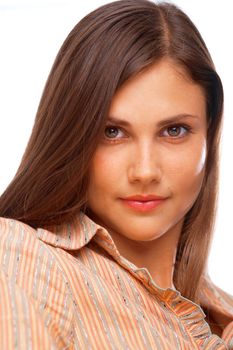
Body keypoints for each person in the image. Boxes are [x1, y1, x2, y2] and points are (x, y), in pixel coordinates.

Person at [0, 0, 232, 348]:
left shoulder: (222, 310)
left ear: (210, 136)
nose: (144, 171)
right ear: (72, 134)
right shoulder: (23, 259)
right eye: (112, 132)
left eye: (174, 131)